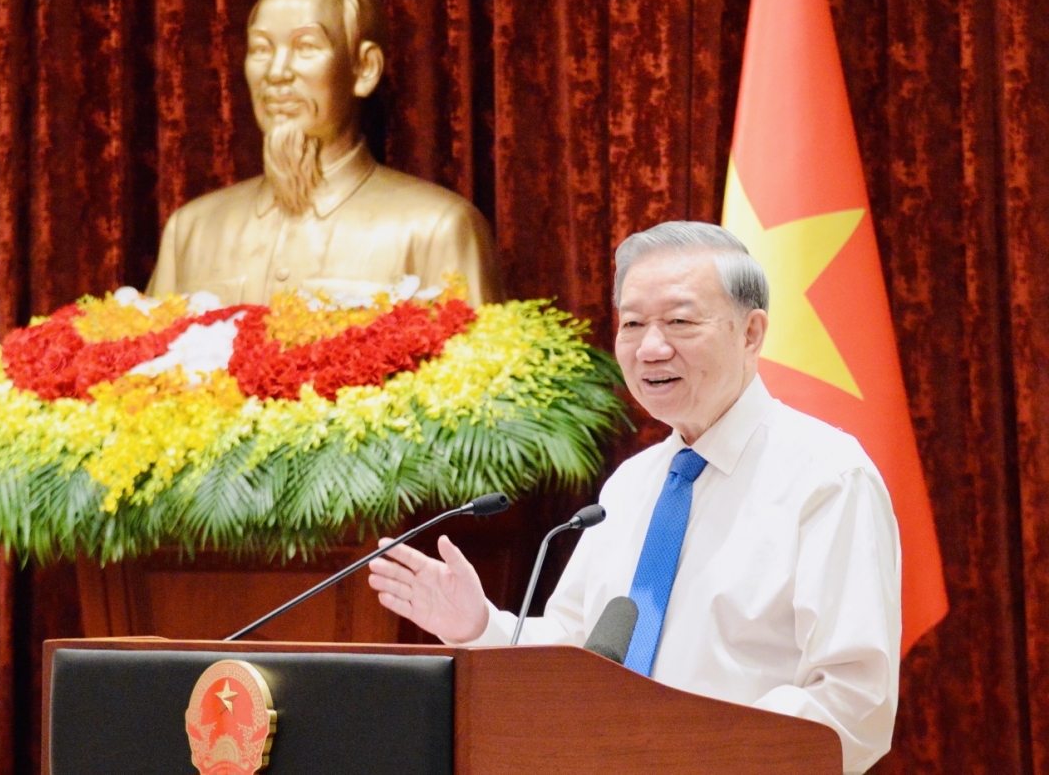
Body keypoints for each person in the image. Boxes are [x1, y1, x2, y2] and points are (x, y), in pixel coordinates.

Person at [367, 221, 901, 774]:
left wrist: (687, 753)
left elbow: (853, 697)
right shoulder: (631, 484)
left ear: (751, 333)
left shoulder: (828, 478)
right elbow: (579, 655)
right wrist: (481, 625)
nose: (650, 347)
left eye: (679, 322)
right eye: (632, 323)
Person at [147, 0, 502, 307]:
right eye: (261, 49)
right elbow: (144, 362)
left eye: (305, 47)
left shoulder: (435, 229)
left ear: (364, 69)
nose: (276, 71)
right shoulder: (191, 231)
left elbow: (479, 365)